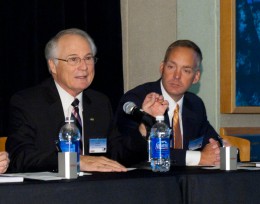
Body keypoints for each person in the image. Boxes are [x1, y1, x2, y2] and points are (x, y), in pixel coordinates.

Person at [6, 28, 127, 173]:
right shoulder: (28, 103)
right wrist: (74, 161)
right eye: (74, 59)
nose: (84, 67)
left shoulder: (99, 102)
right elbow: (20, 156)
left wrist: (144, 131)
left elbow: (118, 154)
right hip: (50, 192)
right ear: (53, 66)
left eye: (88, 58)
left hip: (97, 189)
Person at [114, 40, 222, 167]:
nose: (176, 76)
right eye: (171, 67)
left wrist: (218, 149)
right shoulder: (137, 100)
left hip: (186, 183)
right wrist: (198, 158)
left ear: (196, 77)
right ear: (162, 68)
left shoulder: (195, 104)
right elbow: (125, 153)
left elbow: (213, 142)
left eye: (186, 70)